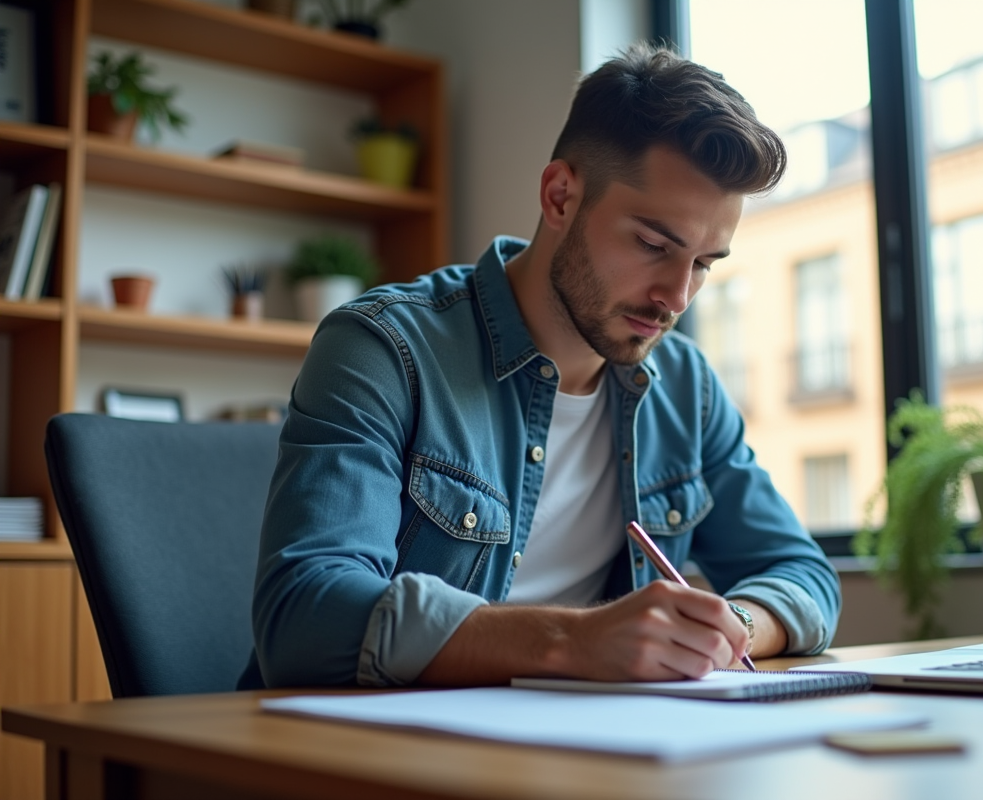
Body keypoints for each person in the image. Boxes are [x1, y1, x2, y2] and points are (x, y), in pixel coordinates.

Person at [240, 44, 841, 690]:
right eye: (652, 245)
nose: (678, 296)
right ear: (560, 197)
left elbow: (803, 574)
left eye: (702, 264)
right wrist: (573, 641)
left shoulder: (687, 390)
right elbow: (304, 617)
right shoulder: (383, 350)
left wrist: (729, 630)